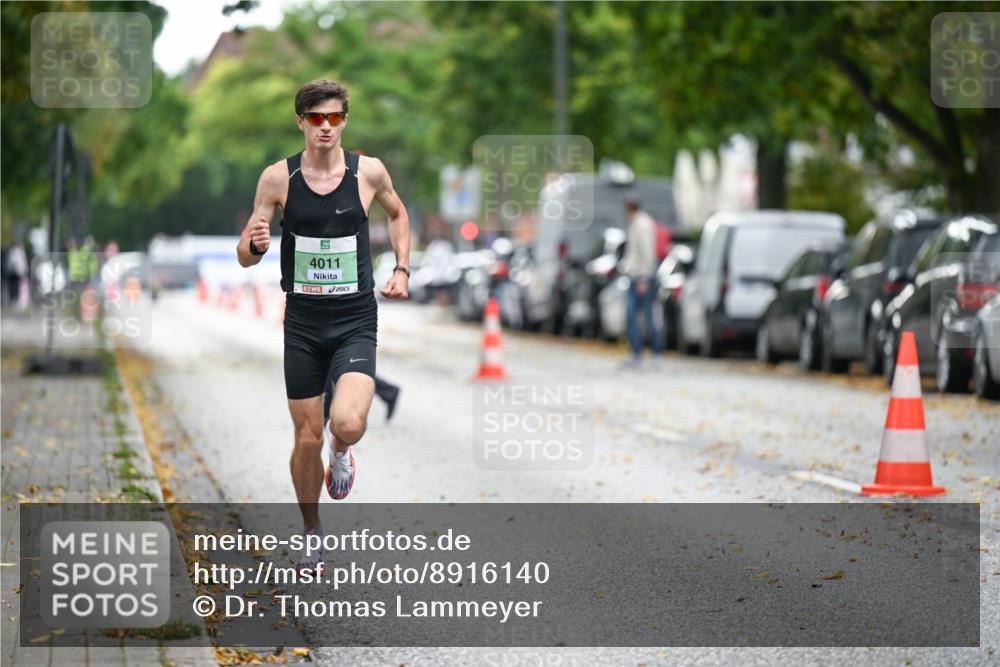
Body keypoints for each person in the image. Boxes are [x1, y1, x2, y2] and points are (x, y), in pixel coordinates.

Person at [236, 79, 410, 572]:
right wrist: (255, 244)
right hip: (303, 323)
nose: (326, 127)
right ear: (301, 122)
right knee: (305, 438)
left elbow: (398, 214)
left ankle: (342, 449)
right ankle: (312, 531)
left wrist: (401, 269)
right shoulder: (278, 178)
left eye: (334, 117)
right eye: (316, 118)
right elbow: (245, 253)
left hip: (355, 318)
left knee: (347, 423)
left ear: (344, 120)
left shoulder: (368, 172)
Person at [619, 198, 663, 366]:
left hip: (642, 278)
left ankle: (653, 353)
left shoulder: (642, 225)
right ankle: (638, 352)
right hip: (637, 276)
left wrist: (644, 277)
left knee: (645, 316)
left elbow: (647, 252)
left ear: (629, 208)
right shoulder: (639, 223)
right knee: (637, 316)